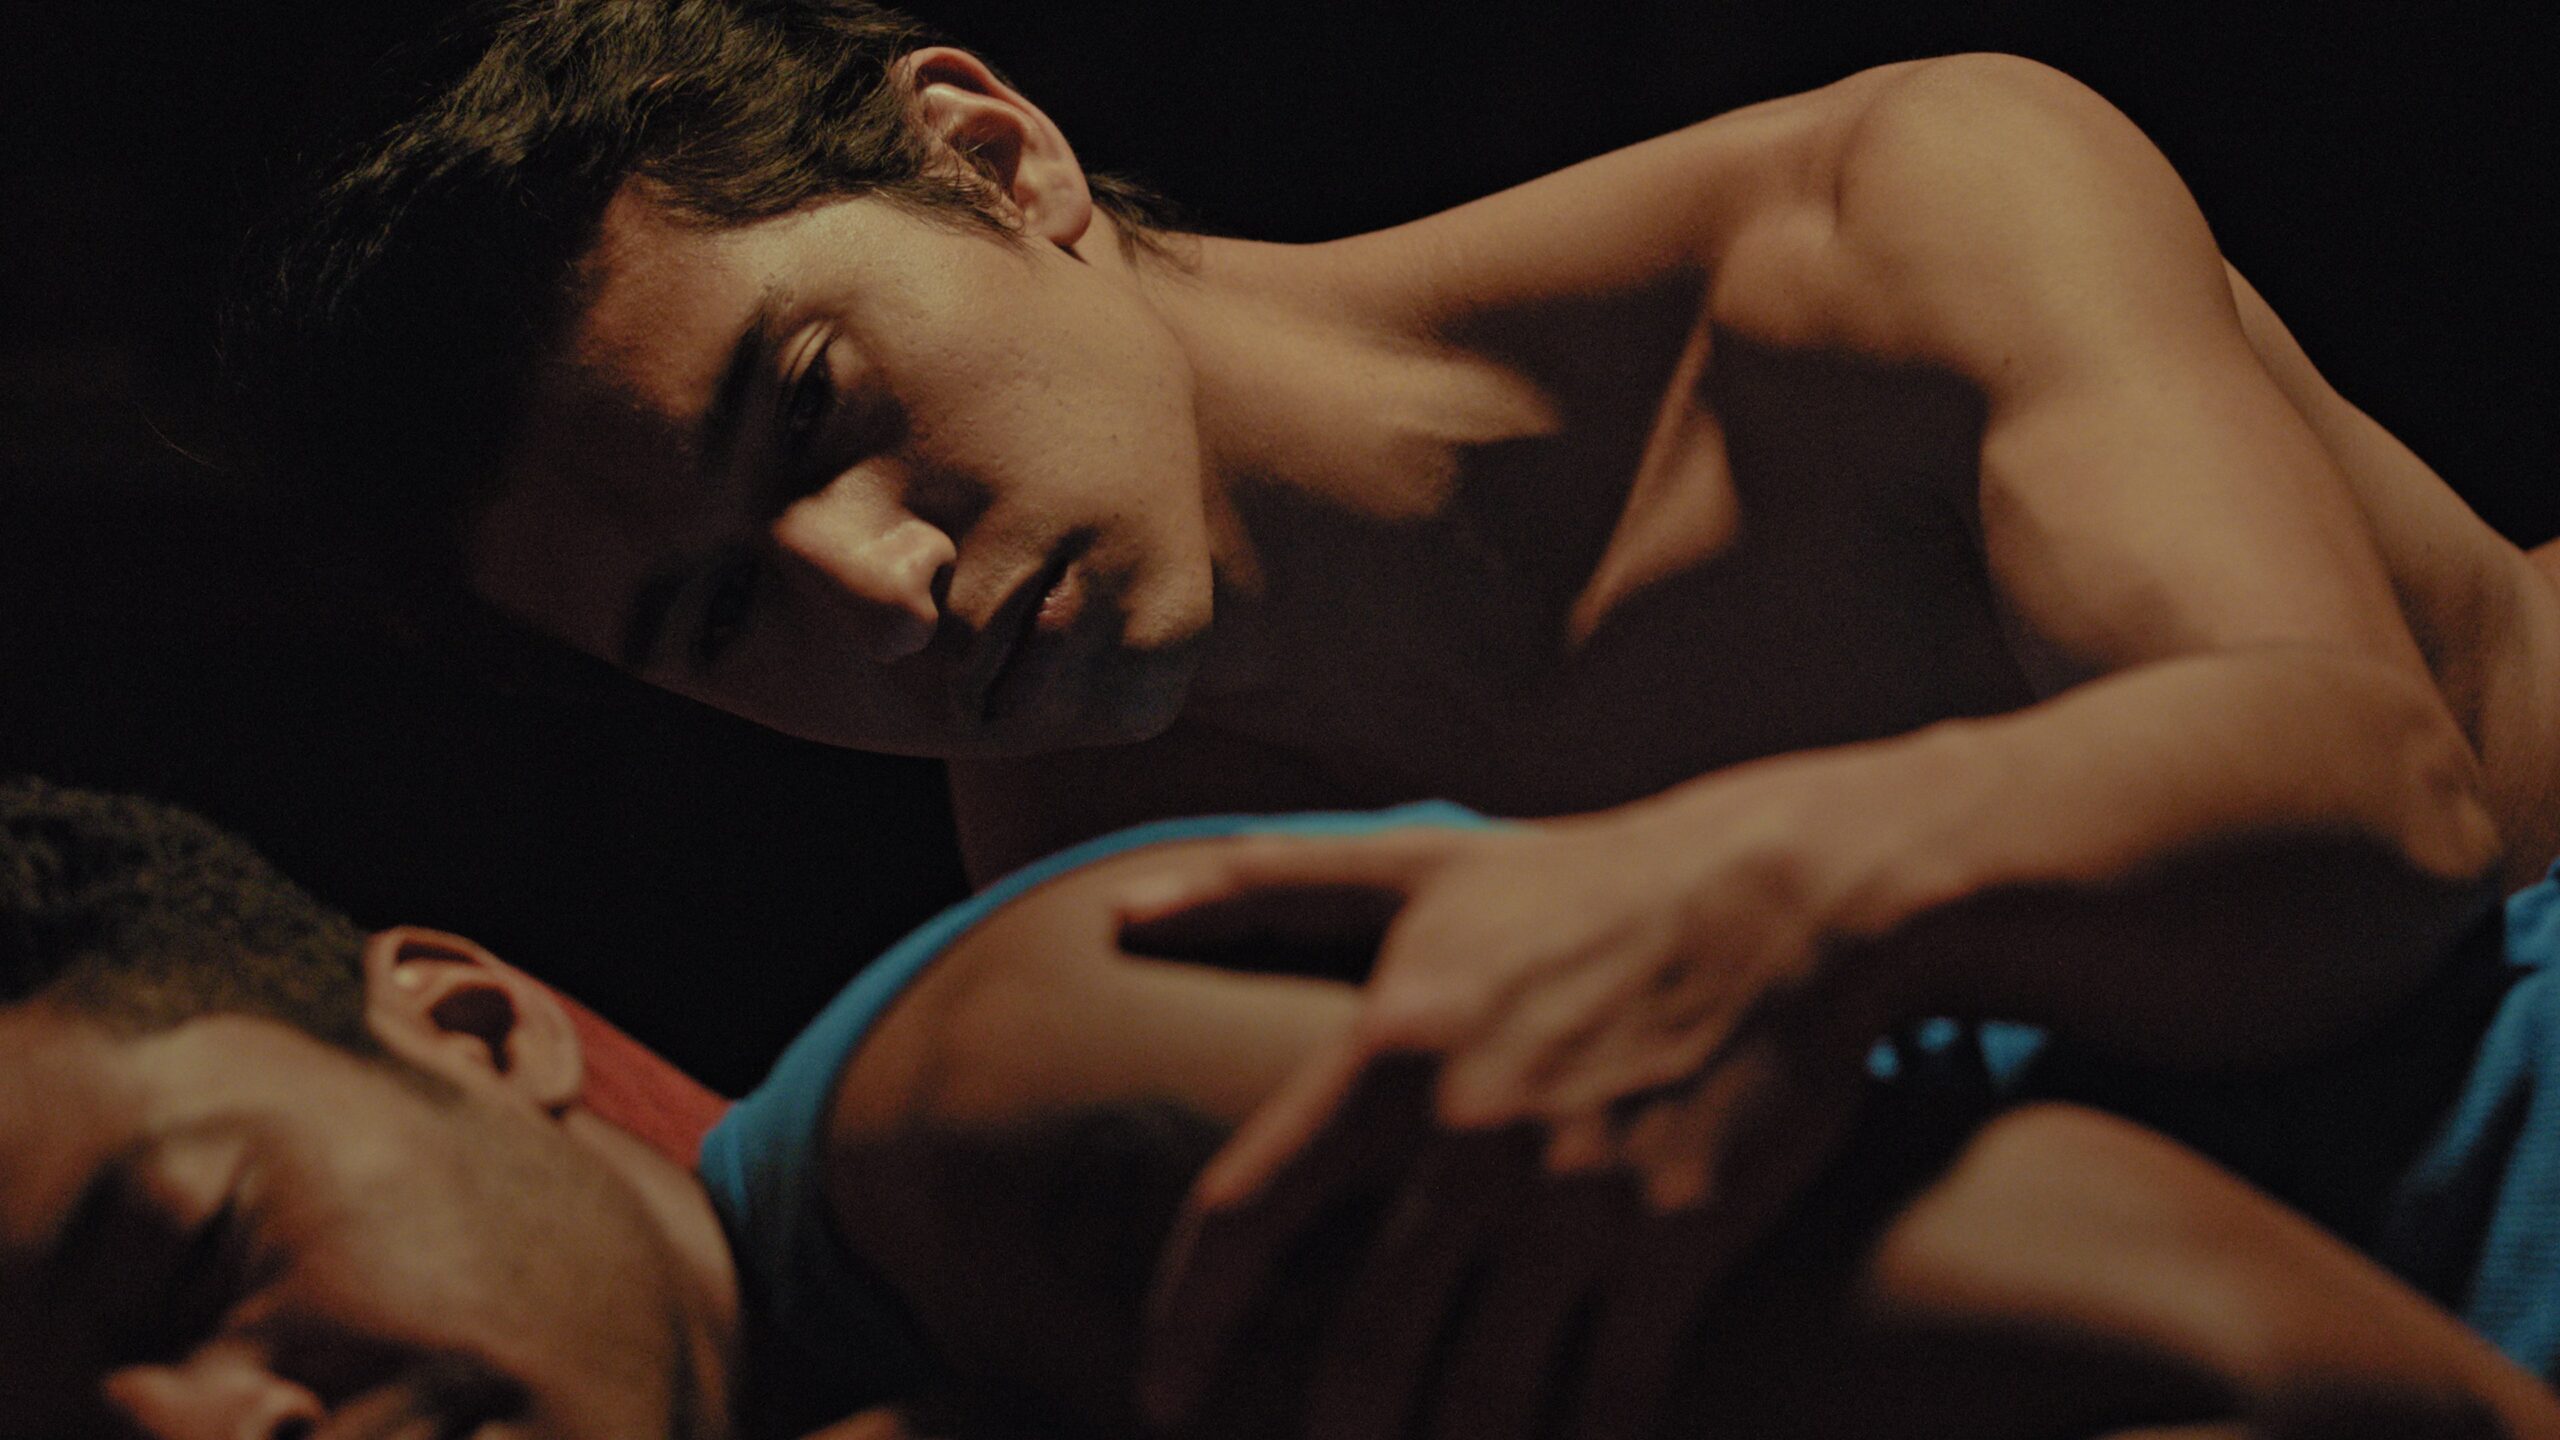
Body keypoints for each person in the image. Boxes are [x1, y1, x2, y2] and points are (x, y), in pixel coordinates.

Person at [227, 0, 2560, 1418]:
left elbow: (2383, 801)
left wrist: (1775, 887)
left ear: (992, 157)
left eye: (813, 407)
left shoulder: (1874, 220)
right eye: (722, 619)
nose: (880, 592)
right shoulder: (1075, 869)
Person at [5, 777, 2556, 1439]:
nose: (212, 1430)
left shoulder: (1015, 1138)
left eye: (194, 1251)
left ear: (471, 1030)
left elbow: (2333, 1402)